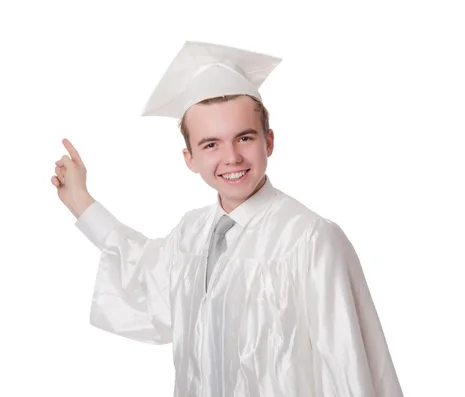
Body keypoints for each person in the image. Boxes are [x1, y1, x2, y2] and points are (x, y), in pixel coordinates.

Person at [51, 41, 403, 397]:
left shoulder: (309, 240)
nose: (231, 157)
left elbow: (347, 367)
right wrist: (81, 202)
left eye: (245, 138)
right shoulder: (192, 234)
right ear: (189, 158)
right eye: (211, 144)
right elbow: (144, 274)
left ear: (269, 141)